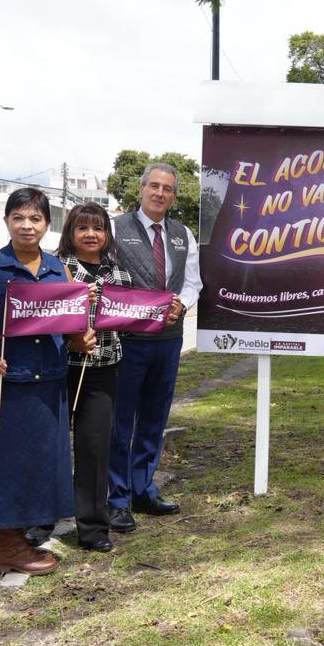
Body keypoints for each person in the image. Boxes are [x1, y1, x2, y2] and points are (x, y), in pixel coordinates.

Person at [0, 188, 93, 575]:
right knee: (5, 465)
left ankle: (20, 535)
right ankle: (6, 545)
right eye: (18, 217)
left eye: (35, 219)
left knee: (40, 463)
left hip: (50, 380)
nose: (26, 225)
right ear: (6, 221)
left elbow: (70, 324)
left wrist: (79, 339)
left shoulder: (59, 269)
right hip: (6, 383)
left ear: (47, 225)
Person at [109, 163, 202, 533]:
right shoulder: (115, 228)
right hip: (127, 341)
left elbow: (194, 281)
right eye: (154, 186)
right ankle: (116, 498)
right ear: (141, 189)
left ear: (174, 196)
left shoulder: (182, 234)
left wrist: (183, 302)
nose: (160, 193)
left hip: (168, 340)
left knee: (154, 419)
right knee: (119, 422)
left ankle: (143, 489)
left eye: (168, 189)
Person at [55, 203, 133, 553]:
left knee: (94, 448)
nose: (90, 235)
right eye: (82, 228)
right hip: (59, 368)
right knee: (53, 446)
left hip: (103, 369)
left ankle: (92, 528)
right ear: (70, 233)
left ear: (107, 234)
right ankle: (41, 519)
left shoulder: (120, 275)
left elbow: (131, 319)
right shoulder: (56, 271)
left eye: (98, 228)